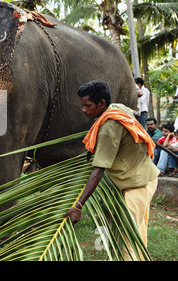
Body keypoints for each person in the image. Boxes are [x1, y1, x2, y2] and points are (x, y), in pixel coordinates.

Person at [64, 80, 159, 260]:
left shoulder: (108, 128)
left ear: (101, 104)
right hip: (147, 176)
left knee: (127, 239)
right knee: (137, 235)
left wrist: (78, 205)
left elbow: (99, 169)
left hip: (137, 186)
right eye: (82, 105)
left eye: (87, 106)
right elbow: (135, 113)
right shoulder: (116, 108)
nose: (83, 110)